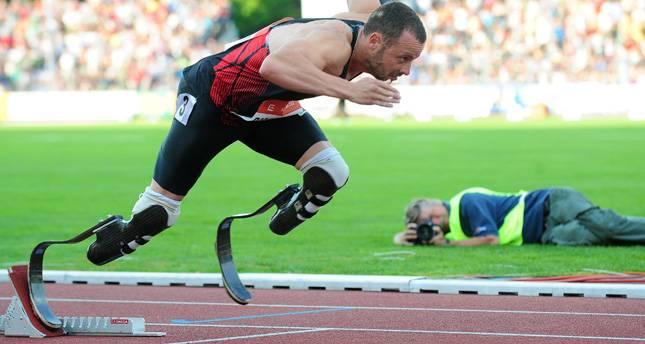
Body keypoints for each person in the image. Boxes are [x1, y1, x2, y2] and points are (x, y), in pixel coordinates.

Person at [85, 1, 427, 265]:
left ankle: (284, 215)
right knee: (159, 213)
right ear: (376, 41)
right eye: (404, 58)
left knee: (331, 173)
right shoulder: (331, 42)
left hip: (265, 110)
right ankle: (115, 238)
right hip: (213, 100)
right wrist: (349, 91)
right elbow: (274, 66)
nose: (406, 70)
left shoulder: (373, 20)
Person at [394, 187, 645, 246]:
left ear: (435, 202)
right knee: (605, 238)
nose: (434, 223)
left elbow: (490, 238)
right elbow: (404, 239)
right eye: (428, 223)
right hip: (547, 235)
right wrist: (403, 238)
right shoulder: (453, 228)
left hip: (551, 204)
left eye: (432, 215)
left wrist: (447, 246)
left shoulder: (466, 203)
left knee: (610, 226)